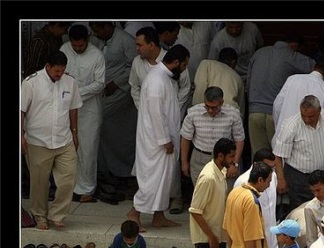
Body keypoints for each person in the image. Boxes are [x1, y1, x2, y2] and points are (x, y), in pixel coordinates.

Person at [127, 44, 190, 231]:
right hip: (156, 142)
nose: (184, 69)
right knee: (152, 180)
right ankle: (134, 213)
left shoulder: (164, 77)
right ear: (176, 62)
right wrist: (165, 140)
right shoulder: (156, 80)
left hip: (163, 140)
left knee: (164, 180)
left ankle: (159, 216)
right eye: (184, 65)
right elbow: (157, 114)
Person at [21, 50, 82, 230]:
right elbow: (21, 110)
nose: (60, 74)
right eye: (57, 71)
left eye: (62, 70)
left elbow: (73, 109)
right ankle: (39, 215)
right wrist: (20, 135)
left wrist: (75, 133)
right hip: (38, 141)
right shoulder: (31, 83)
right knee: (39, 183)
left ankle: (58, 214)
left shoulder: (70, 82)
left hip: (64, 140)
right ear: (47, 66)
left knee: (68, 179)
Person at [273, 95, 324, 213]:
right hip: (299, 178)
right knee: (301, 211)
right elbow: (278, 155)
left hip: (323, 175)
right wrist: (281, 179)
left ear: (319, 111)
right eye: (303, 116)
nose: (307, 120)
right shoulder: (291, 125)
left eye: (311, 116)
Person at [88, 21, 138, 194]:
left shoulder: (126, 40)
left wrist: (116, 83)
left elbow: (134, 66)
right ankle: (104, 169)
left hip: (121, 92)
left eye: (97, 30)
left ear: (107, 26)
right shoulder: (96, 40)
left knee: (101, 121)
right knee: (99, 127)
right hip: (100, 91)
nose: (95, 34)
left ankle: (122, 171)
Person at [60, 24, 106, 203]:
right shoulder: (64, 49)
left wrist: (76, 93)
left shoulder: (97, 55)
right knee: (68, 148)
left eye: (81, 45)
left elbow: (99, 84)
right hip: (66, 108)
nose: (77, 48)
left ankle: (87, 188)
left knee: (88, 149)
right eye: (75, 45)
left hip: (89, 110)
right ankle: (69, 187)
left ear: (87, 40)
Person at [180, 86, 245, 188]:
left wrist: (234, 164)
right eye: (207, 106)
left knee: (225, 192)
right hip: (200, 159)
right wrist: (184, 162)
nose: (210, 110)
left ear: (221, 102)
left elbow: (239, 140)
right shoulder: (193, 113)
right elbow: (185, 139)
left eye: (214, 107)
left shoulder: (233, 114)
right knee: (202, 193)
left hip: (225, 160)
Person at [272, 57, 324, 132]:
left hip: (285, 133)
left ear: (314, 68)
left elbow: (277, 105)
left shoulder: (292, 79)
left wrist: (279, 128)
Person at [192, 47, 245, 118]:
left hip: (208, 109)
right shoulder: (237, 77)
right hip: (230, 113)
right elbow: (241, 107)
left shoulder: (206, 64)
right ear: (233, 62)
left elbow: (200, 88)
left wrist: (197, 112)